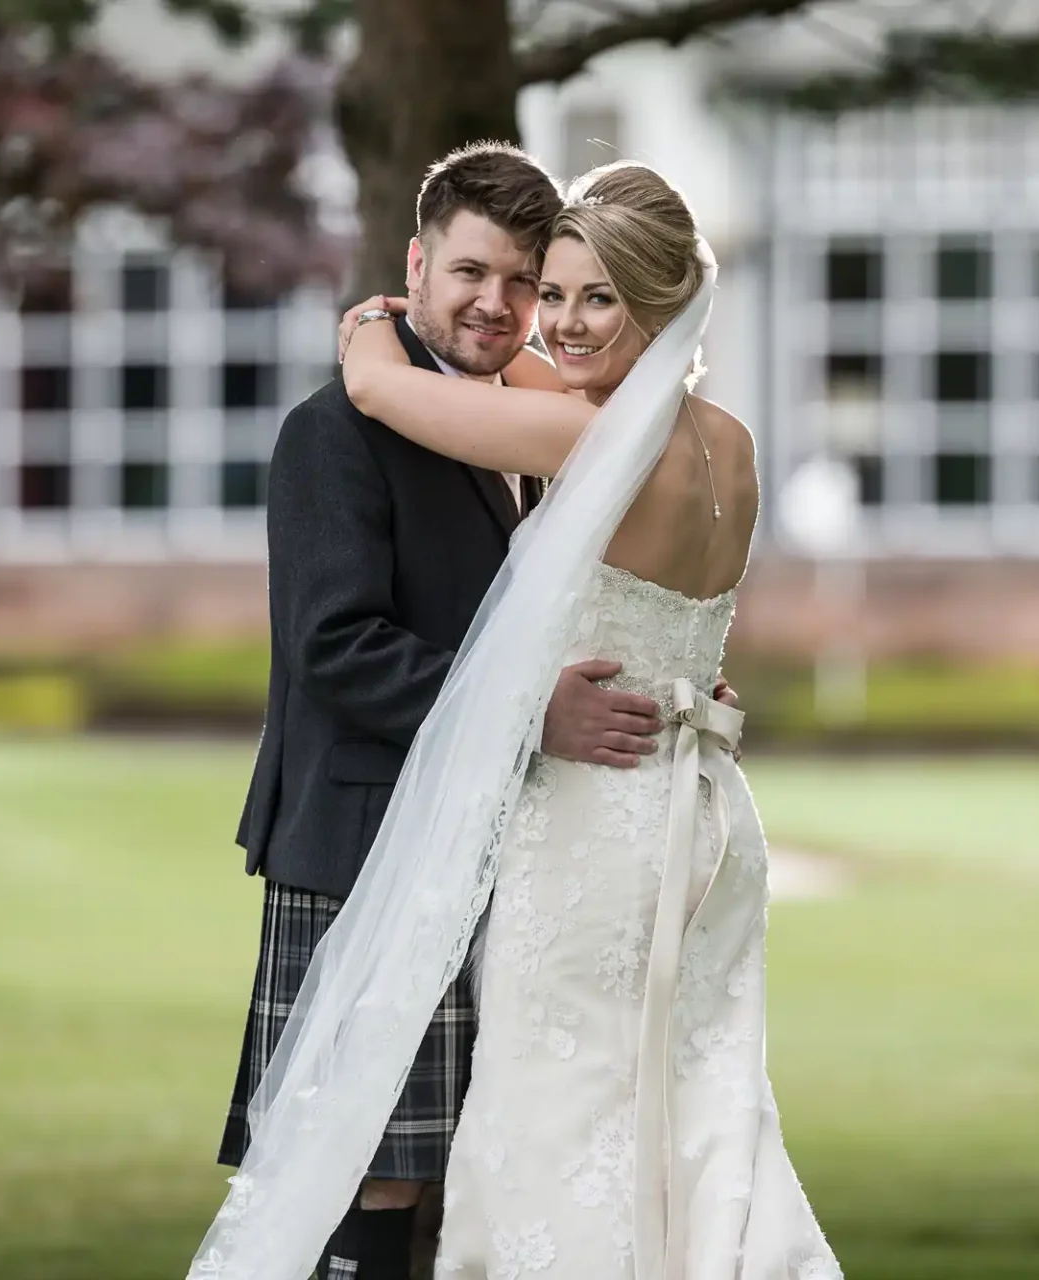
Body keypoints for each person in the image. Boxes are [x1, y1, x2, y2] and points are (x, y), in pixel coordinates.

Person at [189, 160, 833, 1279]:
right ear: (417, 262)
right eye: (482, 276)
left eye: (557, 288)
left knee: (554, 1116)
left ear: (656, 303)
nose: (532, 313)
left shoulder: (572, 432)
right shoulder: (711, 437)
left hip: (582, 831)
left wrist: (370, 338)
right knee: (651, 1107)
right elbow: (334, 644)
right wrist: (627, 689)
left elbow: (399, 392)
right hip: (520, 820)